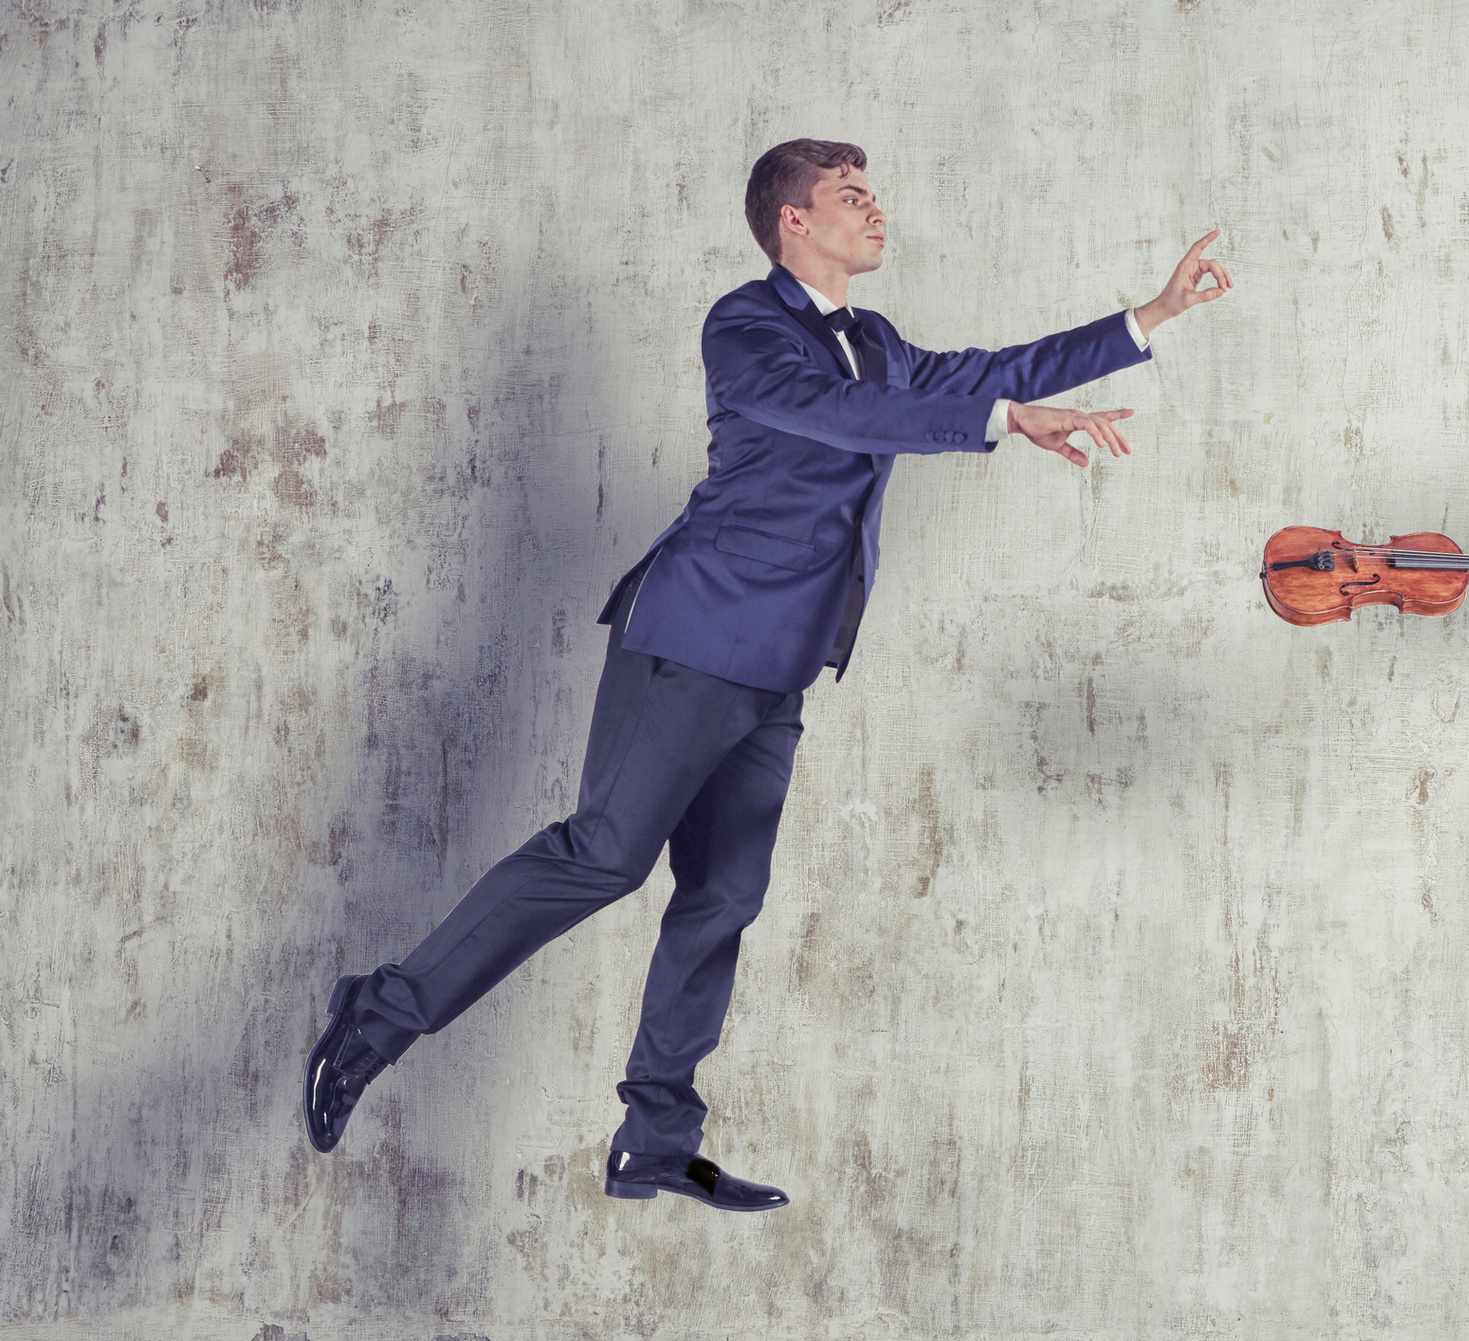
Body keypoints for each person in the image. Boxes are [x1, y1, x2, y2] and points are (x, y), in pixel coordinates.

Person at [302, 138, 1231, 1211]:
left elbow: (986, 374)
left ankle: (654, 1137)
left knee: (724, 897)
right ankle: (378, 1015)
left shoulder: (873, 340)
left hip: (782, 667)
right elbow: (834, 416)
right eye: (851, 197)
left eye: (874, 193)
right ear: (793, 220)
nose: (875, 211)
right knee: (604, 858)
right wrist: (998, 423)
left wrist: (1147, 318)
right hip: (691, 640)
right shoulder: (745, 327)